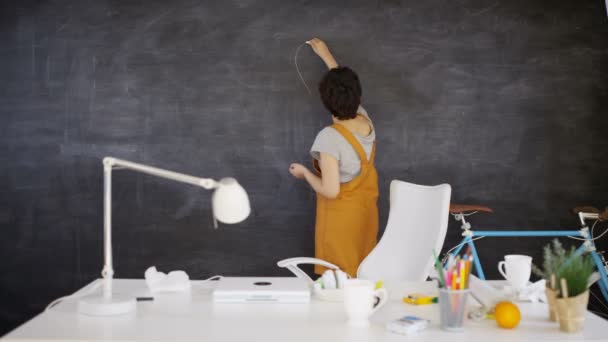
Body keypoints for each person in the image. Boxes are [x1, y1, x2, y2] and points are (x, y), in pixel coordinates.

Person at [289, 38, 379, 277]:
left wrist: (305, 173)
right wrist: (327, 57)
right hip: (365, 215)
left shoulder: (329, 138)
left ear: (326, 102)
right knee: (362, 273)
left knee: (338, 281)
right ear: (356, 95)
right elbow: (346, 92)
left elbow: (331, 191)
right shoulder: (365, 121)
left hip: (340, 223)